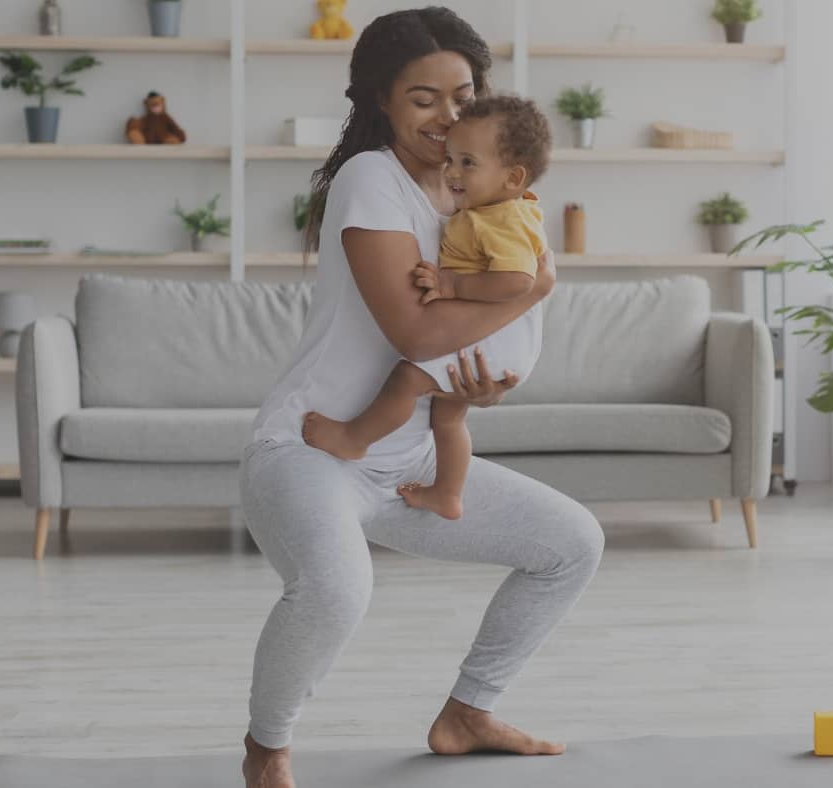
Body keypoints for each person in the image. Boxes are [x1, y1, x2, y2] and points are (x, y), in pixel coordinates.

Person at [238, 8, 605, 788]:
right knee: (338, 588)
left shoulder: (478, 192)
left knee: (572, 542)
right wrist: (533, 290)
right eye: (423, 99)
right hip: (311, 449)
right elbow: (413, 332)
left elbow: (457, 343)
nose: (447, 117)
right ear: (381, 101)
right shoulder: (371, 178)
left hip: (407, 459)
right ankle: (268, 747)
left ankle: (468, 713)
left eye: (463, 95)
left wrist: (480, 388)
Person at [300, 94, 553, 521]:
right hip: (501, 339)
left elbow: (519, 281)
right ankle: (448, 493)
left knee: (406, 379)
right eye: (451, 159)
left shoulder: (504, 219)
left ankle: (354, 438)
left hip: (495, 335)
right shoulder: (495, 210)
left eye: (467, 163)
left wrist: (452, 283)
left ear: (513, 178)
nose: (451, 172)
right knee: (449, 419)